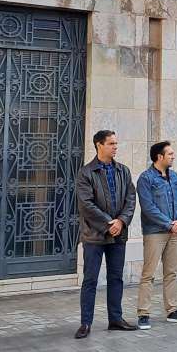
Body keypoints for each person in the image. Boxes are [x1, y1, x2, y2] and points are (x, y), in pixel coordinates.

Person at [74, 130, 137, 339]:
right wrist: (108, 224)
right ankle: (86, 323)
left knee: (116, 278)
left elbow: (130, 199)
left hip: (118, 234)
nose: (115, 147)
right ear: (99, 145)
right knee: (90, 279)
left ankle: (115, 319)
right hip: (94, 235)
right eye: (111, 143)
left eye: (116, 143)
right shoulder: (86, 172)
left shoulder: (123, 171)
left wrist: (121, 221)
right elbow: (86, 204)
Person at [135, 141, 177, 329]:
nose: (173, 156)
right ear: (160, 157)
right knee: (148, 274)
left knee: (171, 273)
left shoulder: (174, 176)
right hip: (155, 233)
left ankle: (173, 310)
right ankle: (143, 313)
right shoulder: (146, 178)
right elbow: (148, 207)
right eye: (170, 154)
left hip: (174, 231)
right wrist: (168, 224)